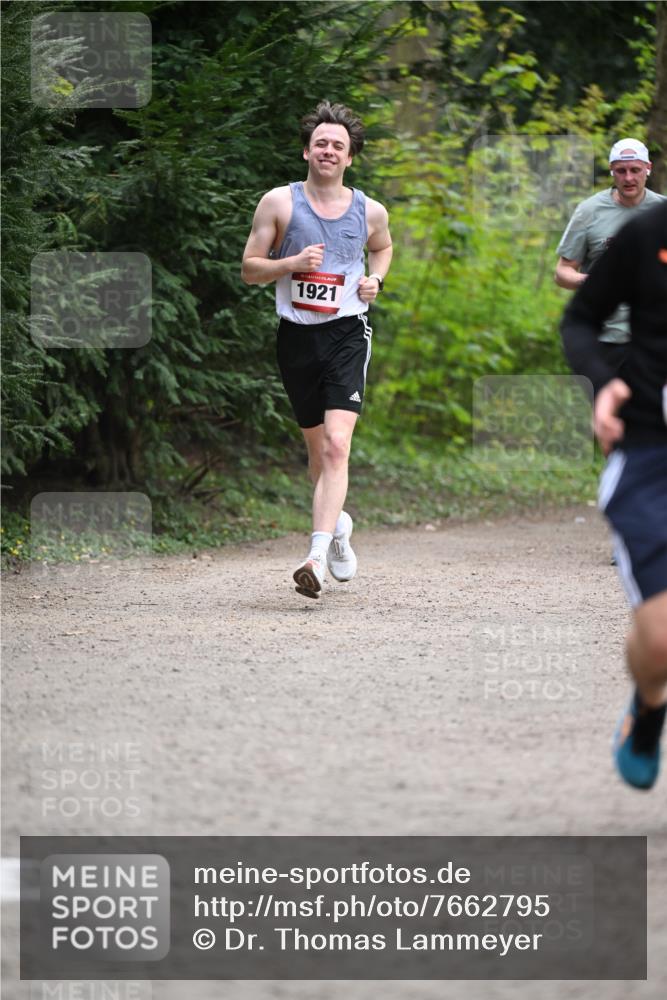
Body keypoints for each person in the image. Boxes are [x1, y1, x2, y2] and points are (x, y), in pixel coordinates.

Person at [241, 101, 392, 599]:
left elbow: (382, 247)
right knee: (316, 456)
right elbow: (249, 268)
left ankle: (315, 556)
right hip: (296, 337)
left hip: (348, 333)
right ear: (307, 150)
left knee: (336, 445)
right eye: (322, 143)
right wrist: (291, 263)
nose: (329, 151)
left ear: (351, 159)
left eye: (339, 146)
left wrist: (375, 280)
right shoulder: (279, 204)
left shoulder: (370, 210)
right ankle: (340, 527)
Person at [560, 200, 667, 790]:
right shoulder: (649, 233)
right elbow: (580, 319)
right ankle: (650, 705)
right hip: (652, 451)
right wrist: (606, 385)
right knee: (660, 642)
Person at [556, 138, 664, 373]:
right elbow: (562, 272)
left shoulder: (662, 213)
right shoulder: (589, 211)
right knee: (606, 409)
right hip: (606, 339)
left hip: (655, 339)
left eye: (635, 170)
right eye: (621, 171)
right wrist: (593, 284)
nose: (628, 178)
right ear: (611, 171)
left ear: (648, 168)